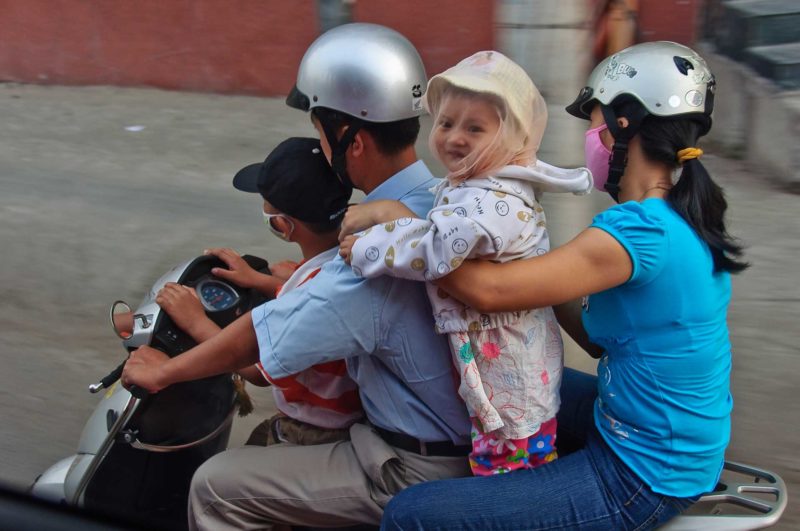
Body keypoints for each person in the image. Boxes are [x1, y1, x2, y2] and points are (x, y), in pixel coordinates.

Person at [380, 41, 746, 530]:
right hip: (648, 426)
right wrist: (525, 248)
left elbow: (488, 292)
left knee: (411, 516)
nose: (589, 140)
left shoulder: (637, 234)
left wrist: (399, 222)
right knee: (491, 384)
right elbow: (593, 337)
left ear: (624, 125)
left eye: (594, 124)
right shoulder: (675, 214)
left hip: (643, 473)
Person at [121, 23, 473, 530]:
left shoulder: (369, 256)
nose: (321, 147)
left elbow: (259, 344)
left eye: (320, 131)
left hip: (411, 468)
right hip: (441, 435)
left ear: (351, 140)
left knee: (216, 486)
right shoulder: (439, 199)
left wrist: (164, 372)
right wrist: (268, 282)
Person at [338, 50, 592, 475]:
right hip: (501, 372)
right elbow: (443, 215)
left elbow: (438, 250)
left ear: (512, 137)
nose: (455, 137)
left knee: (510, 479)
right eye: (446, 123)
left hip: (513, 382)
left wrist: (370, 245)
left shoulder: (495, 200)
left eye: (475, 128)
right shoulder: (475, 183)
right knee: (505, 461)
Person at [154, 137, 363, 446]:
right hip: (345, 415)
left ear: (284, 225)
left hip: (316, 430)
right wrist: (259, 280)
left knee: (211, 486)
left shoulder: (312, 296)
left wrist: (195, 321)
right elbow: (311, 287)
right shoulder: (354, 249)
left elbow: (255, 370)